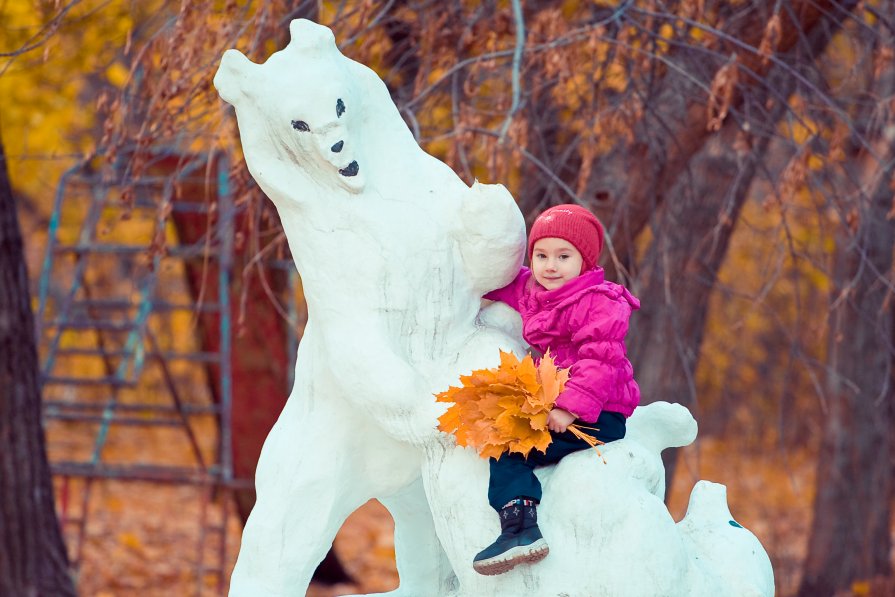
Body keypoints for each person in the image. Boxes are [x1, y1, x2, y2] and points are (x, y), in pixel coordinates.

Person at [472, 203, 641, 576]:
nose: (551, 266)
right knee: (507, 434)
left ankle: (521, 527)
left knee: (513, 443)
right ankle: (519, 527)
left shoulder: (599, 302)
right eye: (542, 255)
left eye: (564, 256)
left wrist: (569, 408)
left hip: (601, 413)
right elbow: (502, 281)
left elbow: (600, 361)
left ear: (585, 261)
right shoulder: (536, 290)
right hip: (560, 400)